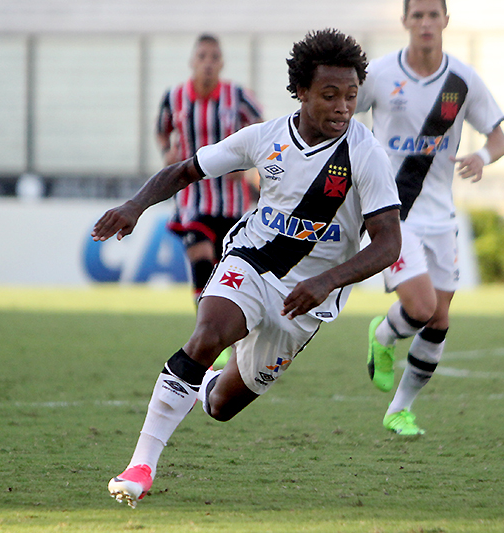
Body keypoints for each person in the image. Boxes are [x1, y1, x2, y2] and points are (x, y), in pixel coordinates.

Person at [94, 28, 402, 508]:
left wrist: (326, 281)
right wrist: (135, 205)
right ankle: (140, 466)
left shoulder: (365, 154)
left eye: (350, 95)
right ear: (300, 91)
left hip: (307, 301)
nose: (343, 107)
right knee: (207, 335)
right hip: (253, 260)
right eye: (329, 95)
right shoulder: (266, 137)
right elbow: (186, 169)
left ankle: (204, 384)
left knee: (221, 406)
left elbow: (388, 243)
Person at [355, 0, 504, 436]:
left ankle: (399, 410)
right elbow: (343, 113)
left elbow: (498, 138)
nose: (425, 23)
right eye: (417, 15)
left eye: (432, 14)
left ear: (445, 21)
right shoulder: (380, 73)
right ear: (404, 21)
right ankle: (383, 336)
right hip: (392, 212)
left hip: (442, 215)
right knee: (420, 308)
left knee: (438, 320)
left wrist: (481, 156)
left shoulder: (462, 80)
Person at [157, 34, 263, 305]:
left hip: (231, 202)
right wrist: (167, 152)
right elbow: (162, 129)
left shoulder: (237, 96)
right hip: (193, 198)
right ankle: (204, 326)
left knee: (224, 270)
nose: (208, 63)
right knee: (201, 260)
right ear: (192, 61)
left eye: (214, 58)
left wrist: (248, 162)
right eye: (202, 56)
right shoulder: (174, 97)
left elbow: (263, 130)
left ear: (222, 63)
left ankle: (220, 324)